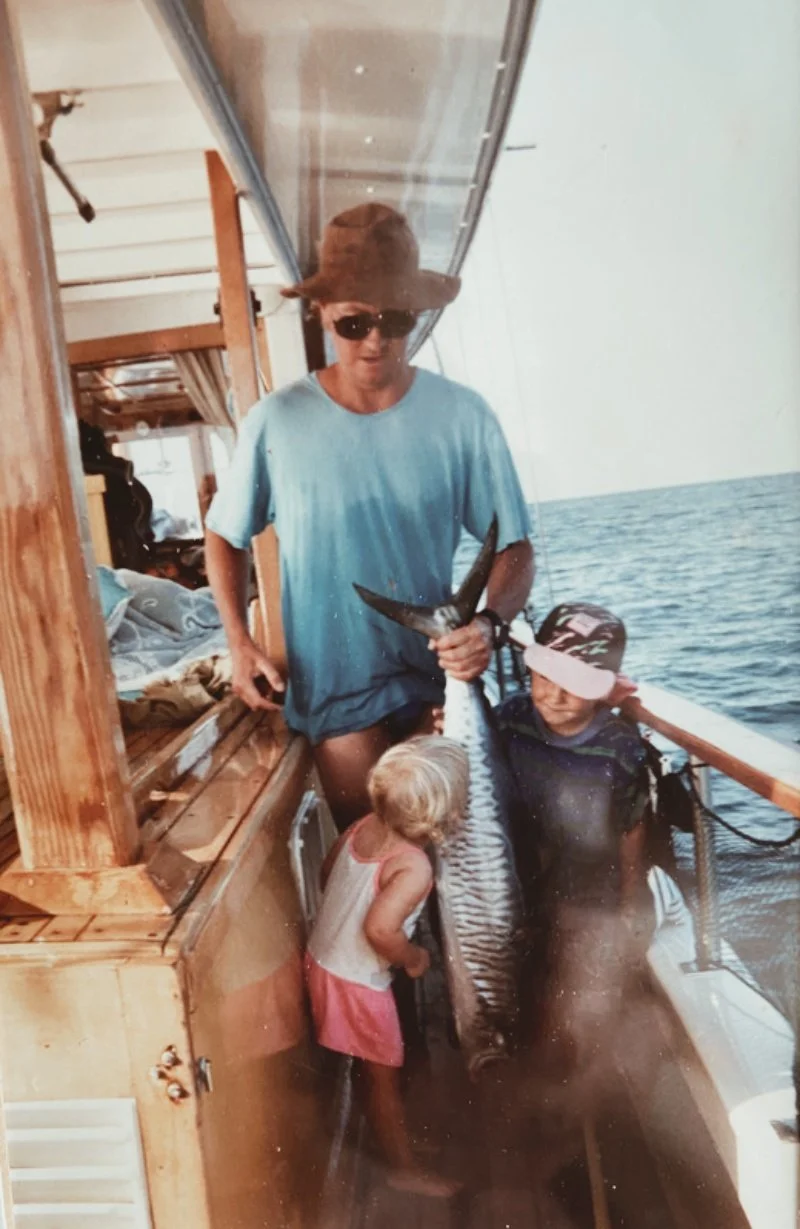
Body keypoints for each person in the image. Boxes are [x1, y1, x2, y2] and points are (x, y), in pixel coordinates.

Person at [204, 202, 533, 828]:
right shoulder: (277, 421)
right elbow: (225, 535)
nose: (376, 339)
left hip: (436, 684)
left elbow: (515, 548)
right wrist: (240, 643)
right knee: (371, 861)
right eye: (355, 324)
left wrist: (488, 625)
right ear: (321, 313)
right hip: (336, 690)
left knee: (451, 862)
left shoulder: (463, 415)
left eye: (397, 319)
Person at [305, 735, 469, 1197]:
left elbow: (327, 869)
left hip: (322, 960)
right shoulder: (414, 866)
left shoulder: (364, 825)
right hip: (357, 984)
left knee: (368, 1067)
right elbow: (380, 930)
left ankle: (392, 1135)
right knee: (384, 1078)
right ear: (443, 815)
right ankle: (403, 1167)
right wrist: (414, 958)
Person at [493, 603, 650, 1083]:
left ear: (601, 692)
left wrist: (629, 897)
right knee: (529, 995)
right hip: (524, 894)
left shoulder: (622, 747)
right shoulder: (510, 718)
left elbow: (631, 825)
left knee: (580, 1009)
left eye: (575, 685)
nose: (555, 695)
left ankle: (572, 1099)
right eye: (545, 676)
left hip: (590, 898)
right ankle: (535, 1089)